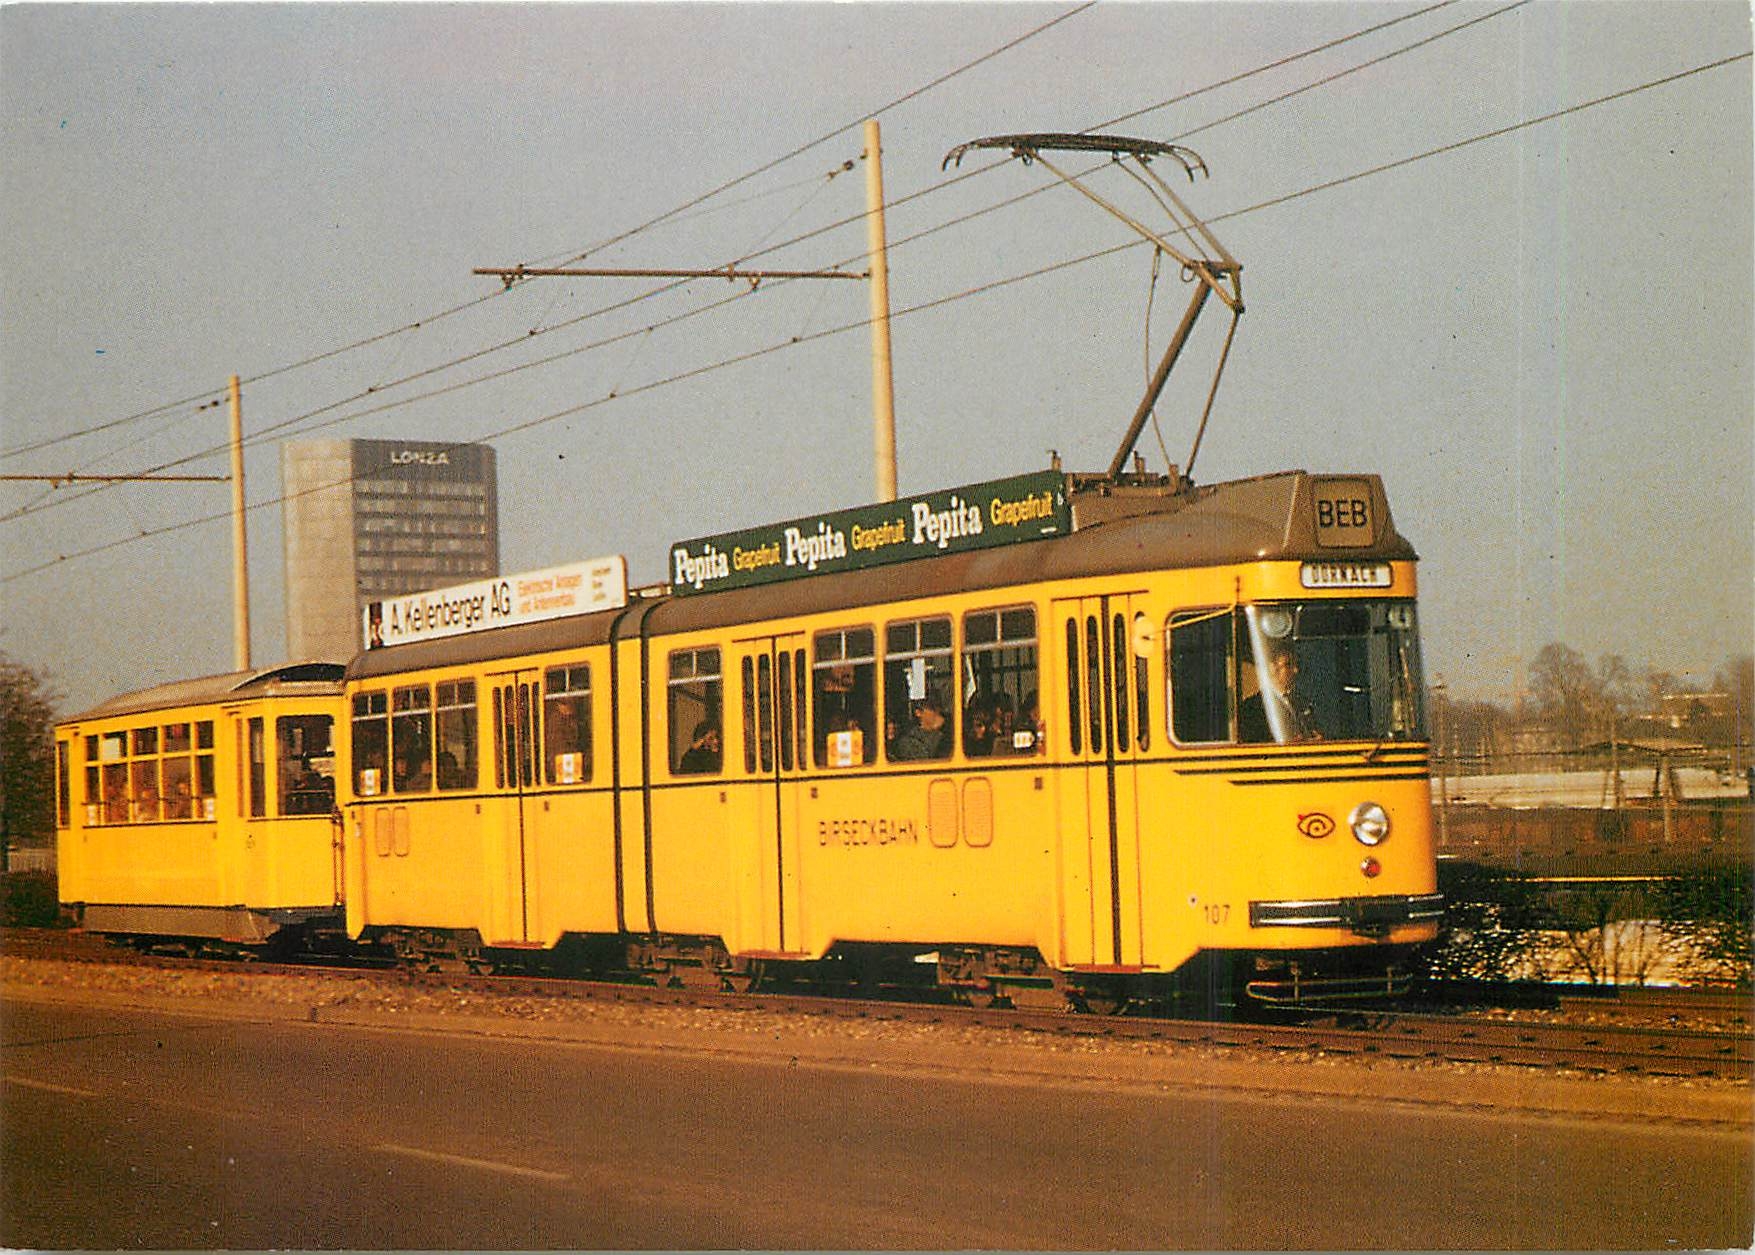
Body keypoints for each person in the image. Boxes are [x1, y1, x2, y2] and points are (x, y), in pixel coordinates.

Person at [1239, 645, 1317, 743]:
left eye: (1295, 665)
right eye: (1289, 664)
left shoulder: (1302, 703)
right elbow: (1254, 745)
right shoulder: (1253, 707)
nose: (1295, 670)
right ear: (1272, 668)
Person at [891, 694, 951, 761]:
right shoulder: (909, 742)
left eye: (937, 709)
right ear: (918, 713)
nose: (936, 713)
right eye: (931, 708)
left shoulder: (952, 731)